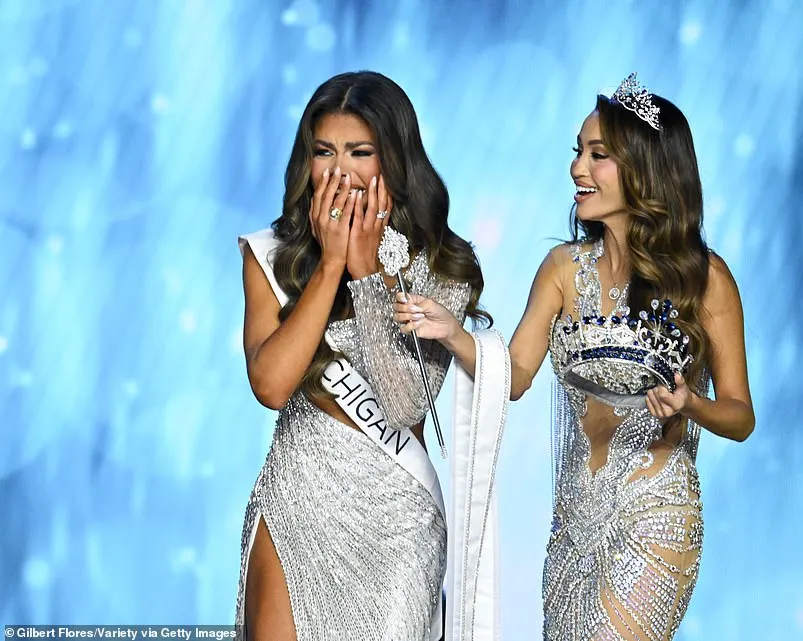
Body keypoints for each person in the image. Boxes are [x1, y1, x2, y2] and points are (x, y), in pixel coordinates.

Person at [393, 73, 755, 640]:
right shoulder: (562, 269)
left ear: (647, 171)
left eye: (598, 155)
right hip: (572, 524)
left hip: (654, 513)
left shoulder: (705, 280)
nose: (577, 169)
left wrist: (691, 405)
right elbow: (511, 377)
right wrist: (452, 334)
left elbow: (740, 414)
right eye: (578, 153)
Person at [234, 70, 491, 641]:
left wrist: (368, 274)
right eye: (324, 151)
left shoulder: (443, 263)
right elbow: (272, 387)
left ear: (393, 160)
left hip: (399, 517)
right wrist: (328, 267)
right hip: (300, 501)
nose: (339, 170)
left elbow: (403, 405)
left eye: (360, 151)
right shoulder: (270, 254)